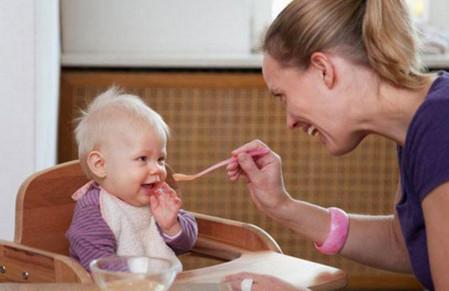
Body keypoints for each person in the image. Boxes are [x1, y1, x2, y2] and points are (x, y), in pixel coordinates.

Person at [224, 0, 449, 290]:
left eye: (282, 96)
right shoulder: (423, 123)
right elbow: (406, 242)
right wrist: (283, 206)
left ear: (323, 69)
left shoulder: (440, 127)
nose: (289, 121)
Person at [66, 87, 198, 272]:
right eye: (143, 159)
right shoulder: (95, 209)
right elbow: (99, 265)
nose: (157, 169)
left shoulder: (156, 197)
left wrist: (171, 226)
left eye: (160, 159)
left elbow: (185, 244)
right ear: (100, 164)